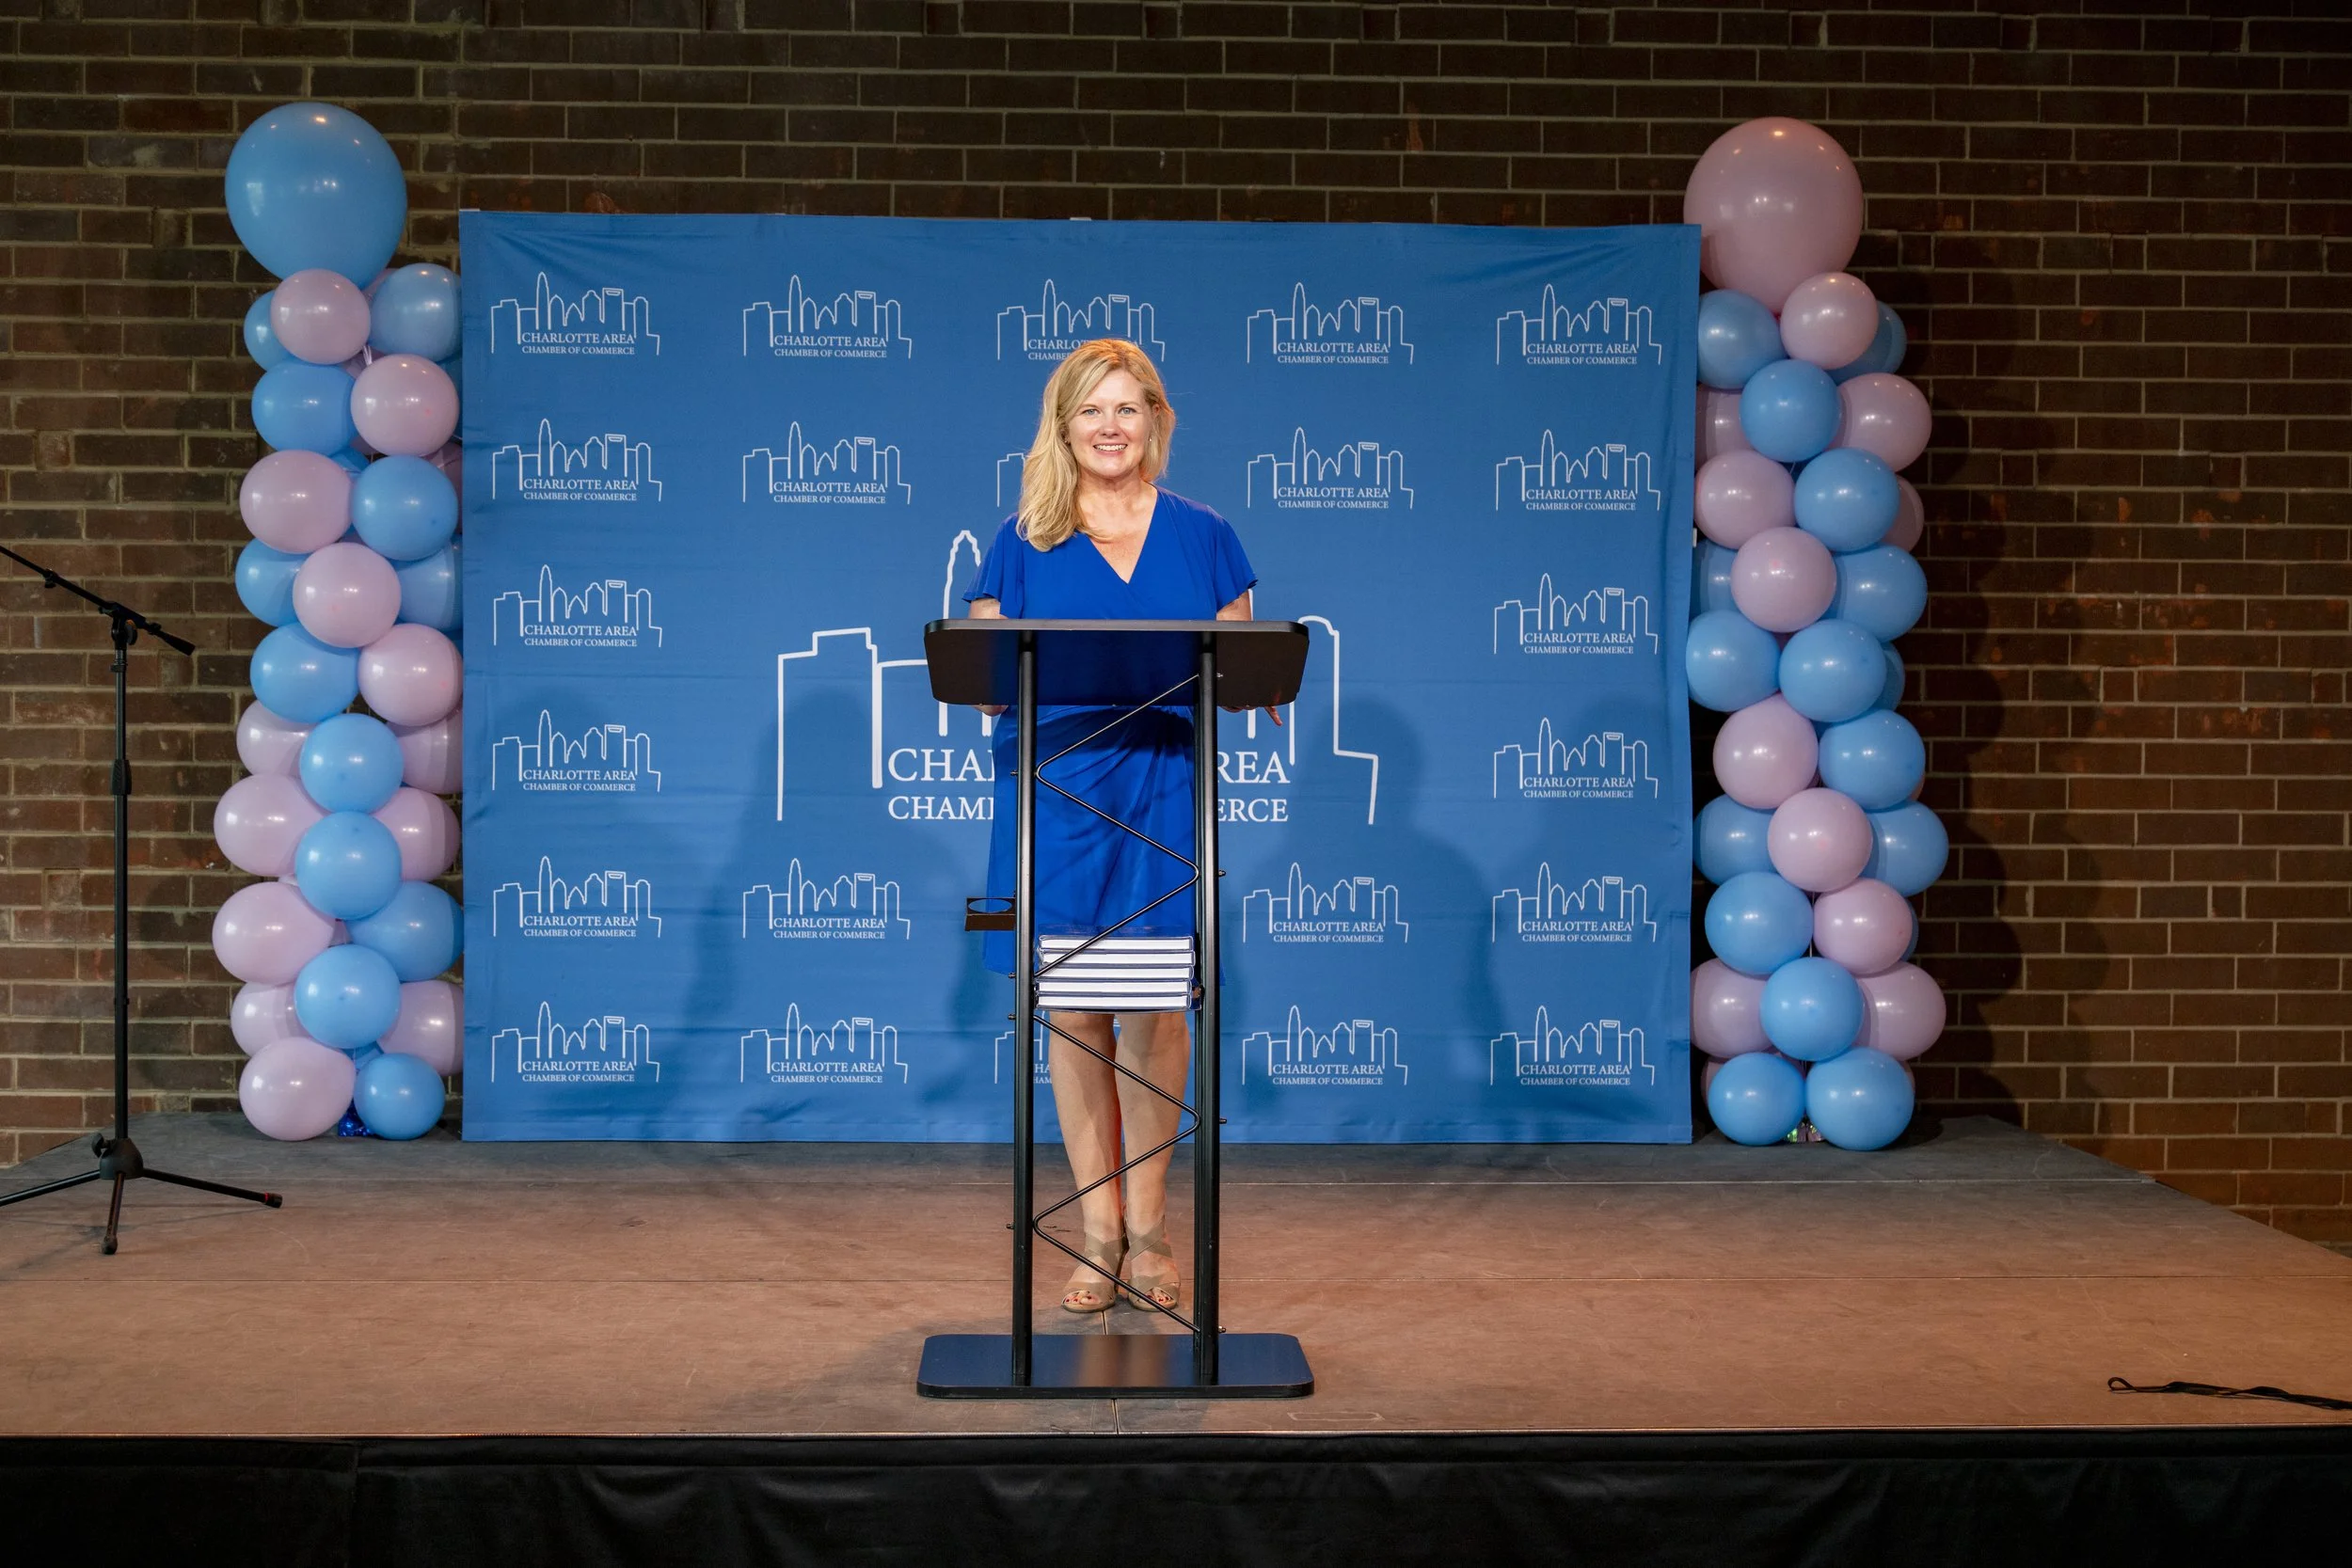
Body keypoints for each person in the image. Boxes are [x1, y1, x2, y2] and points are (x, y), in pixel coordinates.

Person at [965, 338, 1263, 1315]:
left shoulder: (1207, 533)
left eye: (1128, 408)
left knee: (1156, 1012)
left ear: (1155, 422)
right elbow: (979, 681)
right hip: (1061, 791)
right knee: (1079, 1015)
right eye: (1092, 409)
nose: (1109, 426)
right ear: (1063, 424)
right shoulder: (1020, 539)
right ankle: (1095, 1236)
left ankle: (1152, 1231)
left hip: (1166, 786)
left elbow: (1244, 663)